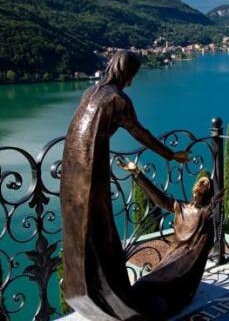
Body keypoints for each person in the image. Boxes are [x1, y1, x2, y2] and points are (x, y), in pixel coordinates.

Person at [60, 50, 189, 320]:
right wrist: (171, 154)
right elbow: (140, 133)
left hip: (71, 167)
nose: (131, 81)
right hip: (91, 168)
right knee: (99, 226)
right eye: (132, 75)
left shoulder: (92, 92)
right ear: (124, 71)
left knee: (79, 229)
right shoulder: (118, 100)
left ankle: (83, 291)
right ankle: (111, 297)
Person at [118, 159, 222, 316]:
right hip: (171, 258)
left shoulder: (205, 215)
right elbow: (158, 198)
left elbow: (202, 248)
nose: (201, 184)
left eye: (206, 184)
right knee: (142, 285)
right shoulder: (181, 207)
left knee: (155, 290)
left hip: (186, 263)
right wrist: (136, 173)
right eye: (200, 181)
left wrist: (210, 213)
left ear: (208, 192)